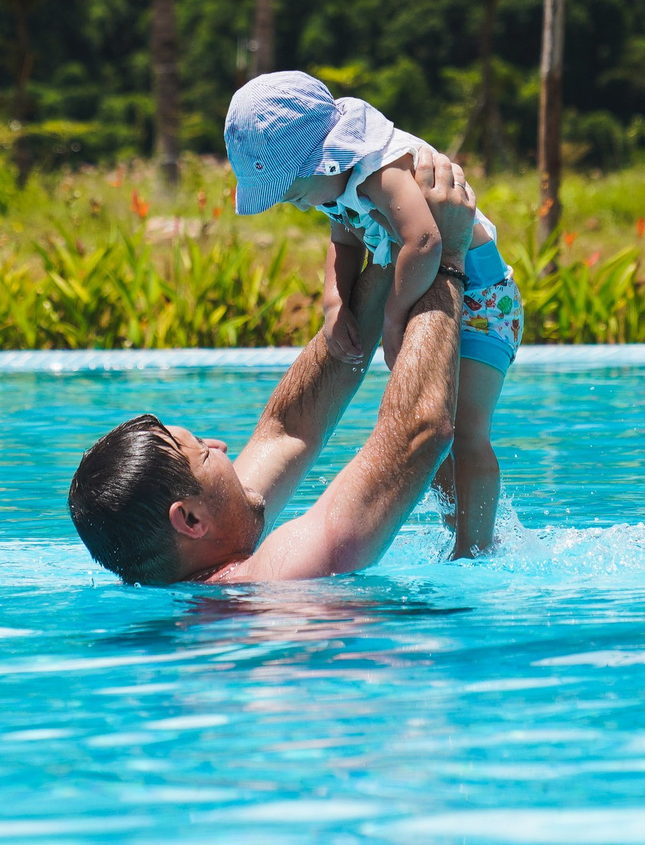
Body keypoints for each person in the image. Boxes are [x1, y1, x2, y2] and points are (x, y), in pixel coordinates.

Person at [68, 153, 510, 585]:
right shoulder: (277, 576)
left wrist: (394, 246)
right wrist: (448, 257)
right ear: (189, 519)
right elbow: (419, 431)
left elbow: (288, 429)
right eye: (202, 452)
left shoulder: (214, 540)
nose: (221, 445)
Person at [229, 71, 519, 553]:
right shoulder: (334, 182)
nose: (296, 205)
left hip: (483, 300)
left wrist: (392, 318)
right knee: (432, 446)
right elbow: (344, 241)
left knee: (465, 431)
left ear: (322, 159)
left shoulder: (379, 169)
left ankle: (478, 550)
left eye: (294, 192)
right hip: (429, 292)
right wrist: (335, 303)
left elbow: (425, 241)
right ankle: (462, 534)